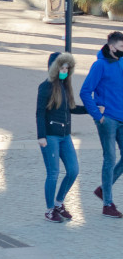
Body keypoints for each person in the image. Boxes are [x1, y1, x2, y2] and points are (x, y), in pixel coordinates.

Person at [35, 53, 85, 222]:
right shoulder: (46, 87)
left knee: (73, 170)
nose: (64, 71)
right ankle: (50, 210)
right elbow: (40, 113)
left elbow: (70, 108)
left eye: (67, 68)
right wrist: (41, 136)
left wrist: (91, 109)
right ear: (54, 68)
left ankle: (59, 203)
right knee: (53, 173)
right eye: (61, 68)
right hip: (50, 136)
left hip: (65, 136)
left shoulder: (65, 86)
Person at [81, 31, 123, 219]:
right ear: (112, 47)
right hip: (107, 120)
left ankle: (103, 189)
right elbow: (85, 92)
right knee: (109, 158)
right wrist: (98, 116)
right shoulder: (99, 65)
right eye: (121, 48)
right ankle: (108, 204)